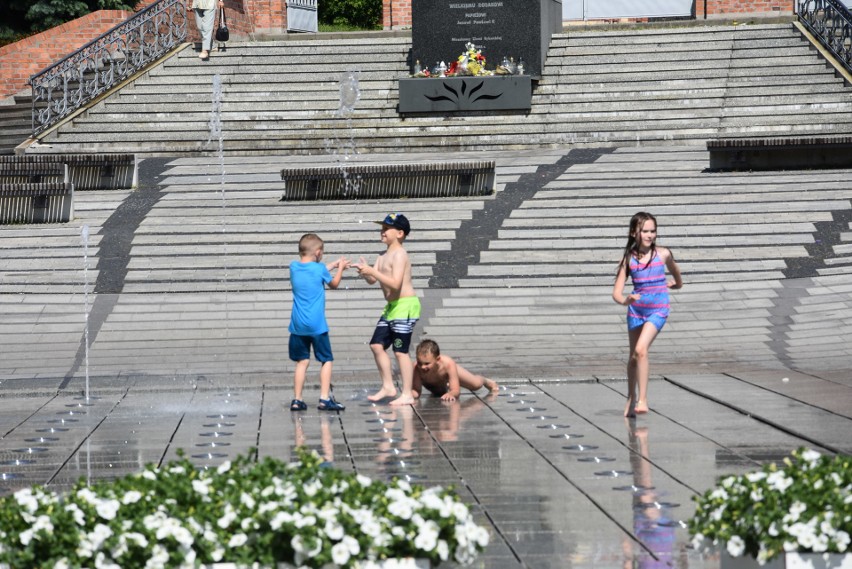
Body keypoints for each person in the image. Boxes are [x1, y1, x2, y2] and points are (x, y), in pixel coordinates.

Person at [612, 212, 682, 417]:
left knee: (641, 350)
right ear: (634, 232)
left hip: (658, 310)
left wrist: (676, 284)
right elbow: (616, 293)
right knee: (633, 357)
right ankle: (631, 397)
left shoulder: (663, 254)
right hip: (636, 311)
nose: (650, 235)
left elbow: (676, 273)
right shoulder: (628, 259)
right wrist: (626, 300)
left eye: (653, 231)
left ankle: (642, 399)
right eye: (645, 231)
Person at [354, 213, 421, 406]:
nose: (382, 231)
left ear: (400, 233)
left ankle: (407, 393)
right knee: (376, 345)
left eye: (386, 228)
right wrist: (366, 272)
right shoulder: (382, 256)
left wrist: (373, 271)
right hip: (392, 307)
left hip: (405, 305)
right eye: (382, 227)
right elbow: (373, 280)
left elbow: (395, 283)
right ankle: (388, 386)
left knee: (400, 351)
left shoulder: (400, 254)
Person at [288, 233, 349, 412]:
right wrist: (340, 269)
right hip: (317, 326)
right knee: (326, 359)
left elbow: (315, 271)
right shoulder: (320, 269)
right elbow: (334, 284)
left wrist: (331, 265)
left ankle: (297, 400)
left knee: (302, 361)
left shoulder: (293, 267)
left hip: (298, 326)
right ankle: (324, 398)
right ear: (318, 252)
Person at [412, 339, 499, 401]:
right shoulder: (416, 368)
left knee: (476, 384)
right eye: (420, 363)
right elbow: (416, 391)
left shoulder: (448, 364)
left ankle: (484, 380)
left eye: (427, 363)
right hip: (437, 385)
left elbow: (456, 390)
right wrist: (409, 395)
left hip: (448, 373)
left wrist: (451, 394)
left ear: (437, 359)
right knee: (439, 393)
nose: (422, 367)